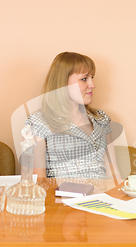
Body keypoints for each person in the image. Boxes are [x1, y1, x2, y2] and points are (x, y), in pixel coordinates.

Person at [26, 52, 121, 180]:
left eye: (92, 77)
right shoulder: (39, 122)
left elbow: (113, 172)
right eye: (84, 79)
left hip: (101, 197)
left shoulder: (101, 119)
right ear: (62, 83)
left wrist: (119, 197)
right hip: (62, 197)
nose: (92, 85)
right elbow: (38, 179)